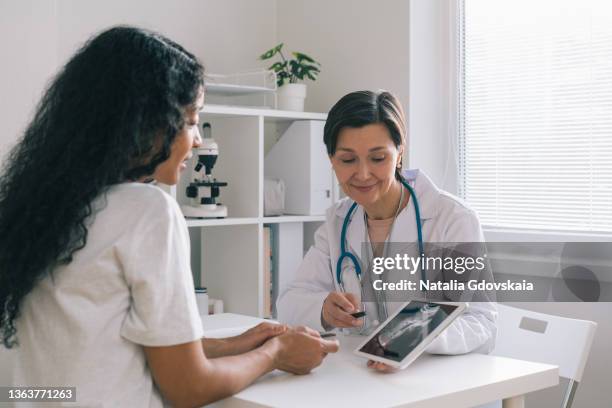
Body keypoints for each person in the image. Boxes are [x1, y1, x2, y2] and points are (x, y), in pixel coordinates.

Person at [0, 26, 338, 407]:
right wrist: (274, 355)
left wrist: (236, 343)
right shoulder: (147, 211)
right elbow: (188, 387)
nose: (196, 140)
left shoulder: (44, 210)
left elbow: (109, 345)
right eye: (191, 120)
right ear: (145, 122)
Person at [276, 90, 496, 371]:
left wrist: (417, 335)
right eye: (347, 160)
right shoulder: (337, 222)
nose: (363, 174)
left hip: (439, 380)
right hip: (366, 379)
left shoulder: (452, 219)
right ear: (331, 159)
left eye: (378, 158)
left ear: (399, 152)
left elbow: (480, 321)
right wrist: (323, 309)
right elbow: (288, 303)